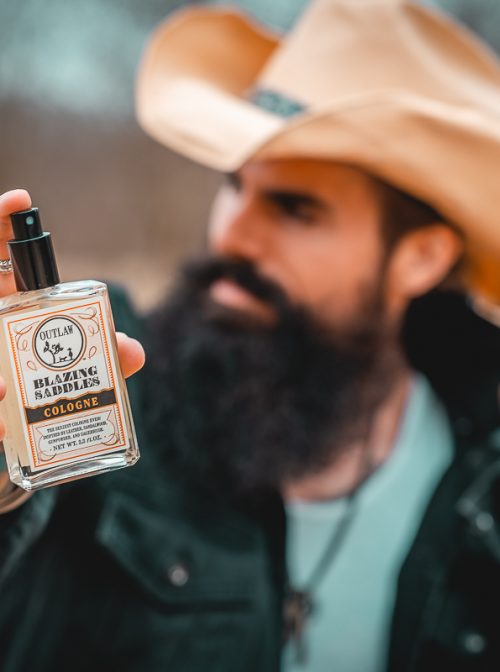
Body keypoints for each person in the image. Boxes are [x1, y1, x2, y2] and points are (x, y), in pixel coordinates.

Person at [1, 0, 500, 670]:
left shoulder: (483, 474)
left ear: (421, 258)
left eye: (295, 208)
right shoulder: (103, 390)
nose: (233, 234)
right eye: (234, 185)